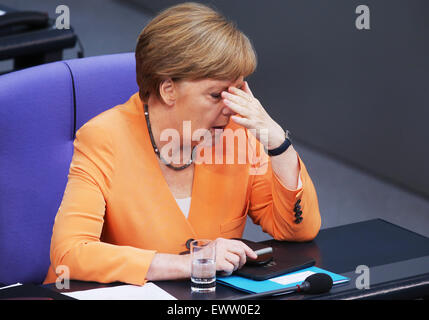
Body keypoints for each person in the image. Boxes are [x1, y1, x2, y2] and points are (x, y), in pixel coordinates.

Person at [44, 2, 321, 286]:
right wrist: (189, 263)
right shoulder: (103, 138)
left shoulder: (238, 134)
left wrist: (278, 143)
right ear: (168, 89)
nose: (231, 107)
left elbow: (297, 230)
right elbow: (70, 254)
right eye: (216, 95)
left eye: (237, 91)